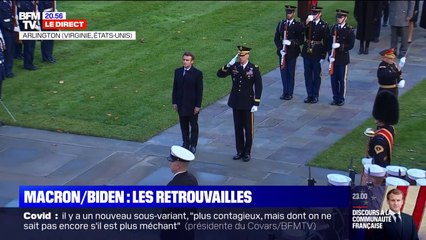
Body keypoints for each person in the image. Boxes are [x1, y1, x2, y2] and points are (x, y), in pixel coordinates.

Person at [217, 46, 262, 162]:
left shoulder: (254, 68)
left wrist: (256, 102)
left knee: (248, 129)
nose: (240, 58)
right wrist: (227, 65)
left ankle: (247, 152)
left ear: (247, 55)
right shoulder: (234, 67)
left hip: (248, 103)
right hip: (236, 102)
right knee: (238, 128)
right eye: (239, 55)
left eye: (242, 55)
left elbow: (258, 86)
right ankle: (239, 151)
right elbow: (220, 75)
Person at [160, 145, 197, 240]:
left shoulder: (173, 186)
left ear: (177, 166)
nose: (170, 164)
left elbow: (167, 216)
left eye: (171, 162)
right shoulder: (193, 179)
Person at [172, 52, 203, 154]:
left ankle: (193, 145)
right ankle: (185, 143)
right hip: (181, 104)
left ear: (192, 61)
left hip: (192, 105)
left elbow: (199, 91)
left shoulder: (197, 74)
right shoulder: (178, 72)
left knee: (193, 126)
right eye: (184, 60)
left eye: (187, 60)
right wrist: (174, 102)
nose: (185, 62)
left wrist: (198, 105)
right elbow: (175, 88)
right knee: (183, 125)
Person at [274, 5, 304, 100]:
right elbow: (276, 38)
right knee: (283, 72)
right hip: (282, 52)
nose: (288, 14)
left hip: (292, 52)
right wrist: (280, 48)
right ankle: (285, 91)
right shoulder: (281, 24)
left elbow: (301, 40)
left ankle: (290, 92)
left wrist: (291, 43)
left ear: (293, 13)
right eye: (287, 12)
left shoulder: (298, 25)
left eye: (290, 13)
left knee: (290, 72)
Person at [301, 6, 329, 104]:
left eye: (315, 13)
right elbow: (302, 33)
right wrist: (306, 24)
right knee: (307, 74)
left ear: (320, 14)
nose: (313, 15)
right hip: (307, 52)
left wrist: (323, 55)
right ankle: (309, 95)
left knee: (316, 74)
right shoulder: (309, 23)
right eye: (313, 13)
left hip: (317, 52)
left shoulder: (324, 25)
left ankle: (315, 95)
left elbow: (326, 42)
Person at [328, 9, 355, 106]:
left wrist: (340, 46)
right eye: (338, 17)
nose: (339, 19)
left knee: (341, 79)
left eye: (341, 17)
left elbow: (351, 45)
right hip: (333, 58)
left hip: (342, 59)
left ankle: (341, 98)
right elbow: (328, 43)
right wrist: (329, 56)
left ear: (345, 18)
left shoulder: (349, 30)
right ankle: (335, 97)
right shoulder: (333, 28)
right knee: (333, 80)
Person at [367, 91, 399, 168]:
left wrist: (368, 161)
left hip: (377, 172)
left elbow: (379, 161)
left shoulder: (379, 139)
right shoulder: (390, 129)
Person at [0, 0, 19, 78]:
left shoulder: (10, 2)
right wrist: (11, 28)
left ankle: (9, 69)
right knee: (7, 51)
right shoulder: (1, 3)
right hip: (6, 31)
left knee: (11, 50)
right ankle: (6, 71)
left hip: (11, 29)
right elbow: (1, 20)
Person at [18, 0, 37, 70]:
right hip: (27, 28)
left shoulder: (29, 2)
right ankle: (28, 64)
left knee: (31, 47)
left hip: (31, 28)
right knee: (28, 48)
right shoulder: (23, 3)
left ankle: (30, 63)